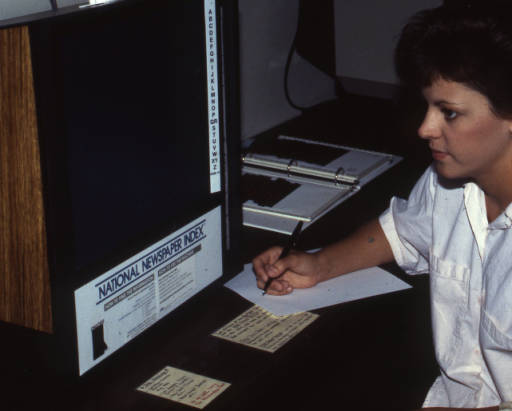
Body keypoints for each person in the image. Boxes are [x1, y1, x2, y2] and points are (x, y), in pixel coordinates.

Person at [252, 1, 512, 409]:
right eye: (428, 106)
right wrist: (319, 264)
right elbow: (401, 232)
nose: (425, 128)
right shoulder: (451, 183)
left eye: (450, 113)